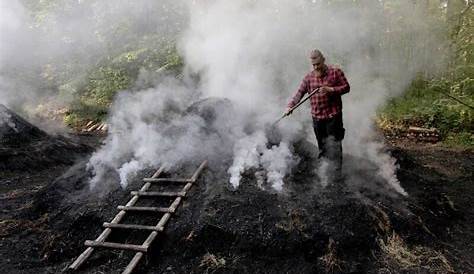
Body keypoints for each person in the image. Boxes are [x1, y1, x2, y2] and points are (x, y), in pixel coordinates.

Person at [285, 49, 350, 181]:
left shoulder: (335, 72)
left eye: (318, 64)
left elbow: (346, 87)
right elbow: (299, 93)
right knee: (322, 147)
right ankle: (324, 173)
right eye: (313, 65)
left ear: (323, 60)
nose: (316, 67)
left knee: (335, 146)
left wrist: (331, 89)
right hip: (317, 119)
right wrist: (290, 106)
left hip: (333, 117)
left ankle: (337, 177)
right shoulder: (309, 78)